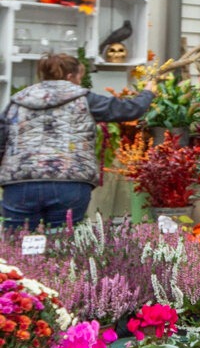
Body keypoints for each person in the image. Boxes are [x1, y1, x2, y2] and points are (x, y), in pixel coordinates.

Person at [0, 53, 156, 229]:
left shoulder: (17, 102)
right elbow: (129, 110)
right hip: (70, 183)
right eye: (79, 77)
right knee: (62, 246)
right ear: (70, 76)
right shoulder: (85, 99)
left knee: (15, 245)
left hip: (20, 184)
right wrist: (148, 93)